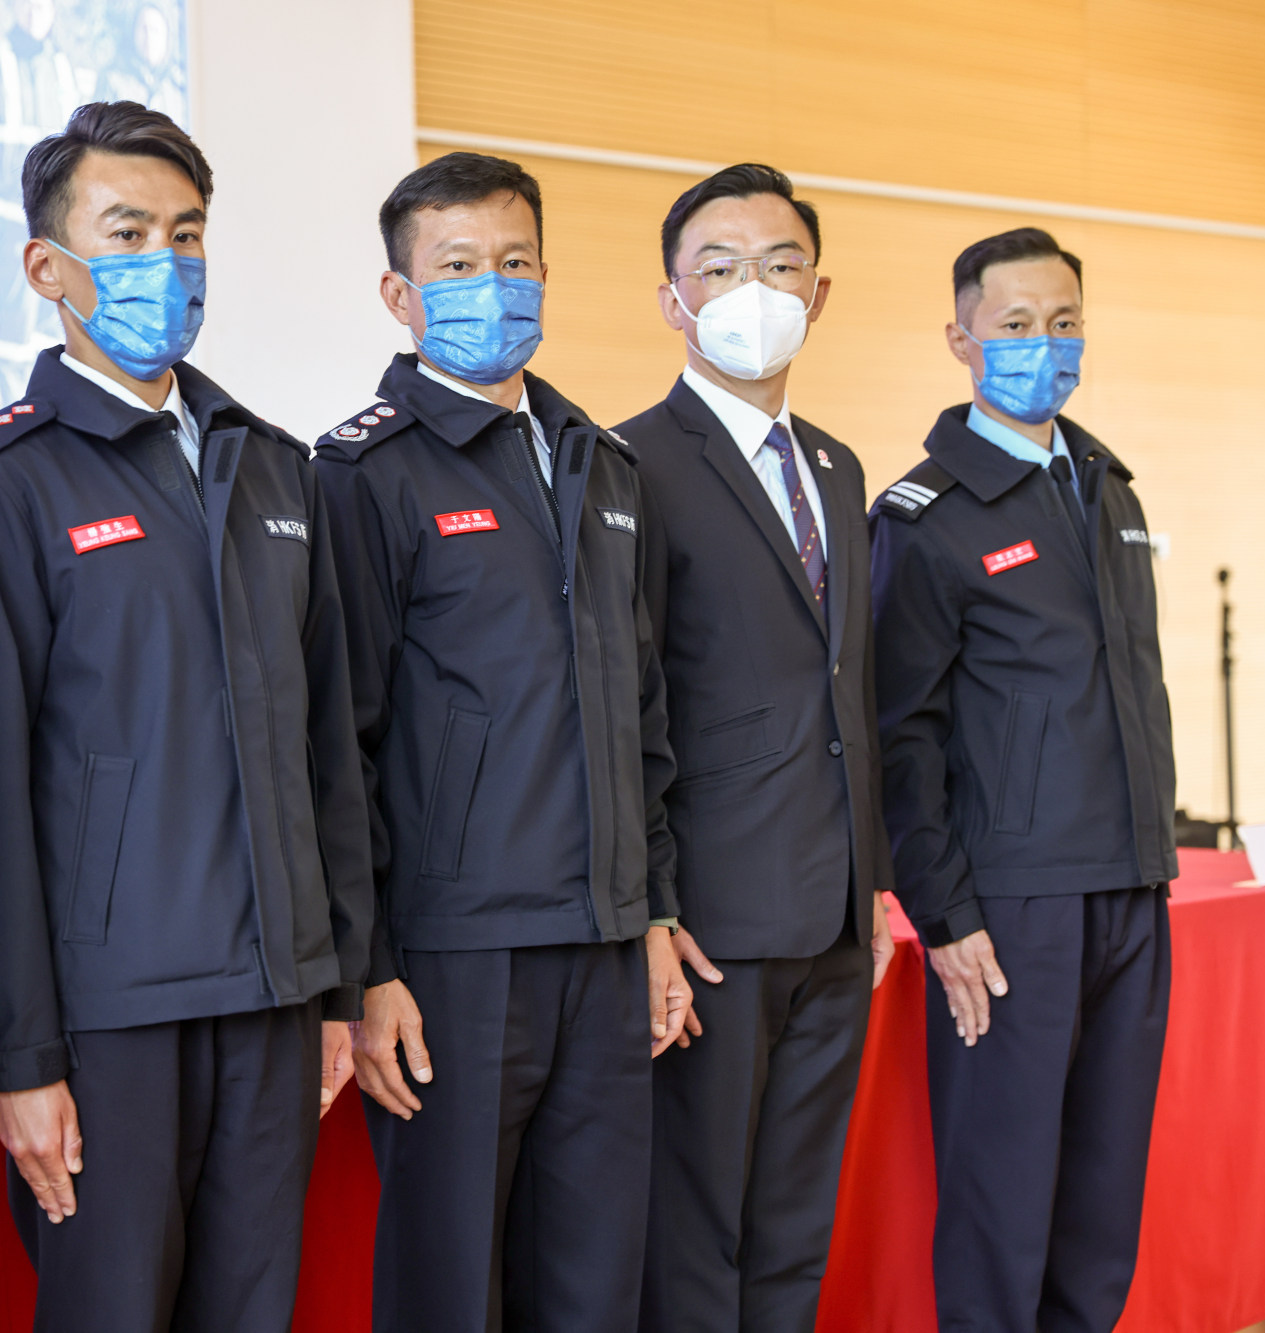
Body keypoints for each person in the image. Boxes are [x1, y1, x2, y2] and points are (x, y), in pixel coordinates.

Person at [0, 101, 370, 1332]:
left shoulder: (274, 468)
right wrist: (15, 1054)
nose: (163, 265)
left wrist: (333, 983)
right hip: (105, 1024)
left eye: (185, 234)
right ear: (45, 266)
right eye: (126, 232)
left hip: (275, 1007)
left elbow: (324, 749)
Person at [316, 151, 684, 1333]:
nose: (492, 286)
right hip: (451, 962)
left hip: (601, 940)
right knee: (448, 1284)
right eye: (457, 265)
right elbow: (339, 740)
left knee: (591, 1282)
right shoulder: (361, 473)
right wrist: (368, 968)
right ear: (399, 294)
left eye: (512, 261)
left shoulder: (600, 464)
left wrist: (654, 911)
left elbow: (641, 719)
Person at [868, 227, 1175, 1333]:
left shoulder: (1107, 489)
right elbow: (898, 733)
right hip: (1011, 911)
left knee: (1101, 1199)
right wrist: (941, 911)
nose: (1042, 347)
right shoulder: (926, 518)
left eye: (1062, 325)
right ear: (959, 338)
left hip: (1132, 888)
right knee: (1002, 1203)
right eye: (1012, 327)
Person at [612, 163, 895, 1333]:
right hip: (711, 924)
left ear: (816, 292)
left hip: (831, 912)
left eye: (777, 265)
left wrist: (870, 880)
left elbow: (849, 690)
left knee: (792, 1224)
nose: (751, 289)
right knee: (695, 1230)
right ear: (672, 300)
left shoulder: (834, 464)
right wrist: (651, 910)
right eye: (716, 268)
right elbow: (629, 708)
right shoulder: (624, 465)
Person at [0, 0, 81, 400]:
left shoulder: (62, 64)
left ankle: (55, 402)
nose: (35, 14)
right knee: (15, 314)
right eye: (27, 6)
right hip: (11, 214)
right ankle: (14, 402)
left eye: (43, 8)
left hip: (60, 219)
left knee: (58, 313)